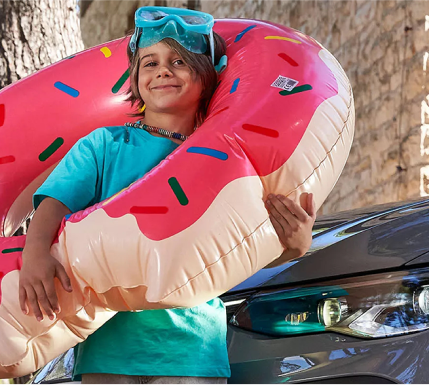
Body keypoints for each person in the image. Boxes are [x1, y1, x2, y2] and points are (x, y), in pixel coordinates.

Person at [18, 6, 316, 384]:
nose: (163, 71)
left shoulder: (227, 156)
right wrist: (35, 252)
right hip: (108, 350)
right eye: (149, 63)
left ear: (206, 77)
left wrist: (293, 248)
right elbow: (53, 204)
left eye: (179, 61)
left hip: (192, 350)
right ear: (135, 77)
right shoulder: (105, 145)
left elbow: (238, 250)